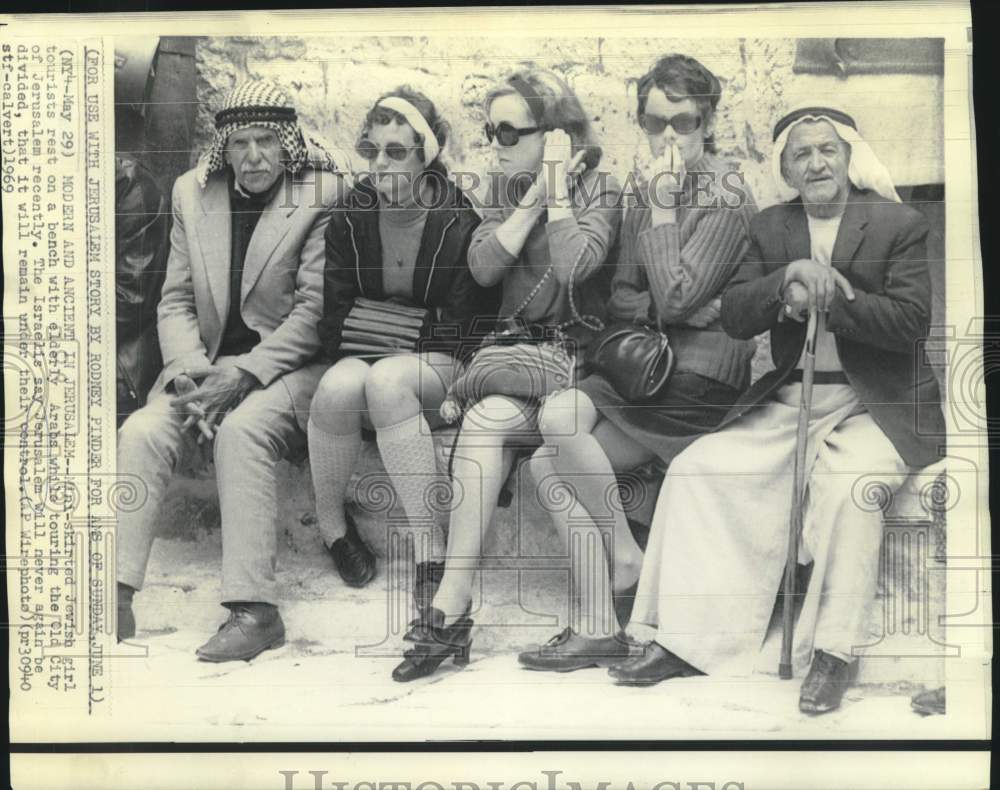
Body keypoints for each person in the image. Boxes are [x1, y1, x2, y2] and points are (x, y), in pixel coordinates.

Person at [606, 103, 945, 716]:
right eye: (800, 154)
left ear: (848, 157)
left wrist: (830, 297)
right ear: (786, 168)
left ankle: (833, 653)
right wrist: (786, 280)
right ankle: (686, 639)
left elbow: (910, 322)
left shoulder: (898, 223)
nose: (815, 163)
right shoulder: (770, 228)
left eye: (827, 150)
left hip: (876, 404)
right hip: (794, 396)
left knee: (851, 489)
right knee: (698, 469)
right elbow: (736, 314)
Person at [519, 54, 758, 672]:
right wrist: (675, 303)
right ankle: (606, 604)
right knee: (548, 460)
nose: (669, 138)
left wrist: (665, 220)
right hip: (643, 367)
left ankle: (616, 580)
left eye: (683, 123)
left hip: (700, 378)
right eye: (655, 125)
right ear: (641, 125)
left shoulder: (727, 192)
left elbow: (676, 294)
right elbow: (626, 295)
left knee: (557, 433)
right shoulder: (640, 185)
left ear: (708, 122)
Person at [391, 68, 622, 682]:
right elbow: (487, 267)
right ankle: (452, 605)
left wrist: (562, 193)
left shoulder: (602, 187)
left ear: (557, 135)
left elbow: (575, 268)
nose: (495, 142)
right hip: (517, 366)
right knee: (488, 418)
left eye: (510, 131)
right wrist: (533, 194)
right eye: (489, 130)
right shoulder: (500, 189)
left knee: (490, 407)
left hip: (577, 368)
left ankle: (449, 611)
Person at [115, 79, 346, 662]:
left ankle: (255, 611)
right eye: (240, 143)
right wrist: (191, 375)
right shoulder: (192, 194)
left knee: (242, 432)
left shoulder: (321, 195)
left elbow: (314, 313)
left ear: (288, 142)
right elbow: (175, 300)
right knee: (141, 430)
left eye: (266, 140)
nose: (254, 157)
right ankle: (113, 592)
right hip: (206, 367)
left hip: (289, 369)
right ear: (224, 147)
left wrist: (241, 376)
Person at [309, 86, 498, 597]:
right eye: (371, 151)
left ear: (425, 155)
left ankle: (429, 550)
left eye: (397, 152)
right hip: (367, 361)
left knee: (387, 380)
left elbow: (461, 328)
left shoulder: (459, 222)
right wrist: (411, 322)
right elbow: (333, 322)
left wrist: (378, 321)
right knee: (335, 387)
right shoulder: (350, 215)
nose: (381, 164)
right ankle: (334, 531)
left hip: (442, 374)